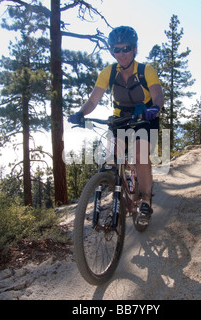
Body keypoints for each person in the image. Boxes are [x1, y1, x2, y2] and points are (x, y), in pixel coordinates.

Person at [69, 26, 164, 224]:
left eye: (126, 48)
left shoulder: (146, 70)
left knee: (139, 154)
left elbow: (157, 94)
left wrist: (155, 107)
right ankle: (122, 192)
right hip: (120, 120)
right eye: (116, 49)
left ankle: (145, 200)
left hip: (145, 118)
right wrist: (80, 113)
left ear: (135, 49)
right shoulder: (109, 72)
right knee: (111, 158)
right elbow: (93, 101)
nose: (121, 54)